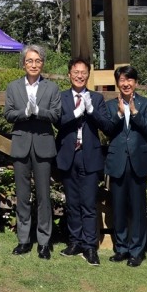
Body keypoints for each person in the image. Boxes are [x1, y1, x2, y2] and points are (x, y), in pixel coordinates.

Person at [4, 45, 62, 260]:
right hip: (21, 145)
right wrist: (23, 113)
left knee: (43, 196)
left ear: (43, 63)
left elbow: (56, 114)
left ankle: (44, 242)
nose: (34, 64)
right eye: (30, 61)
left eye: (37, 60)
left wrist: (39, 112)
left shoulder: (52, 88)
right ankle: (23, 239)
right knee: (22, 196)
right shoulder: (13, 87)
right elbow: (8, 113)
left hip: (43, 144)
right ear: (23, 63)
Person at [55, 57, 110, 266]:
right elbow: (58, 121)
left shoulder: (96, 98)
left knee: (88, 203)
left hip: (89, 155)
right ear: (69, 74)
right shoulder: (61, 97)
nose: (79, 76)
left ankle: (90, 245)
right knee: (72, 203)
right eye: (75, 72)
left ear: (88, 75)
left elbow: (106, 125)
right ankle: (75, 241)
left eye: (83, 72)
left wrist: (91, 112)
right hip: (69, 154)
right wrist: (76, 113)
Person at [102, 65, 147, 268]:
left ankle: (137, 251)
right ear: (117, 83)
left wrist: (134, 113)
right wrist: (118, 114)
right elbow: (107, 130)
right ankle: (121, 248)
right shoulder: (109, 105)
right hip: (117, 162)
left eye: (130, 80)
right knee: (118, 207)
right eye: (122, 80)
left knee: (138, 209)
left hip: (138, 162)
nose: (126, 84)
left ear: (136, 82)